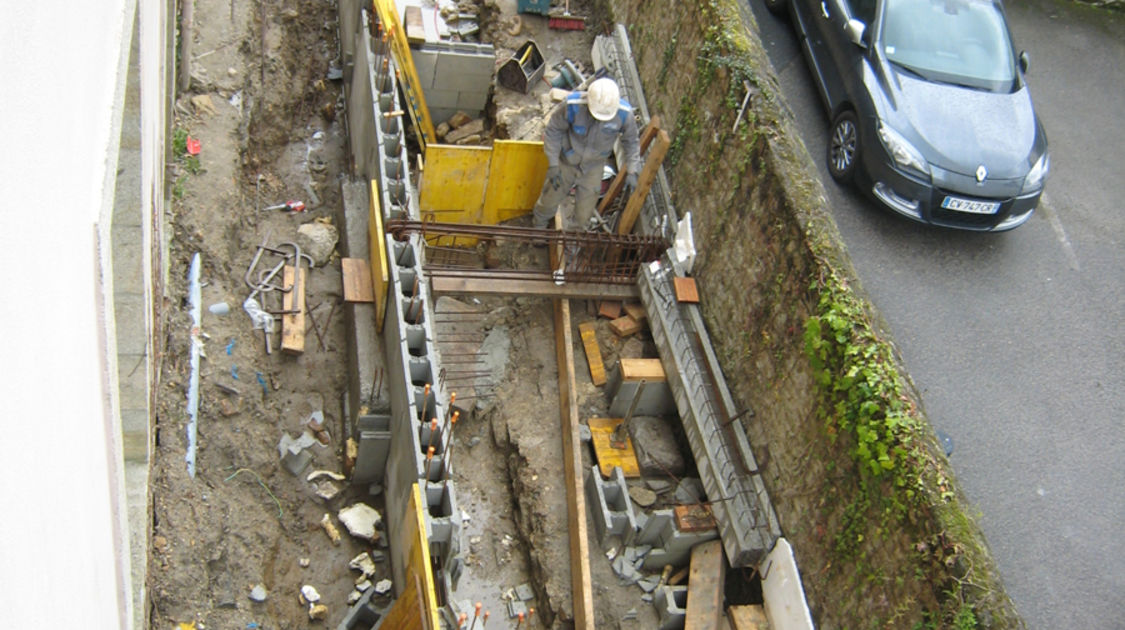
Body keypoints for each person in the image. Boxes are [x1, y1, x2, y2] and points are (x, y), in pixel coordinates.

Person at [531, 77, 642, 231]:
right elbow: (553, 130)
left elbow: (631, 142)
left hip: (594, 167)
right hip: (567, 161)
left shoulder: (624, 114)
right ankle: (539, 226)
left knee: (584, 213)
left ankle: (572, 241)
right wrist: (553, 163)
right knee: (550, 198)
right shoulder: (572, 106)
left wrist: (632, 169)